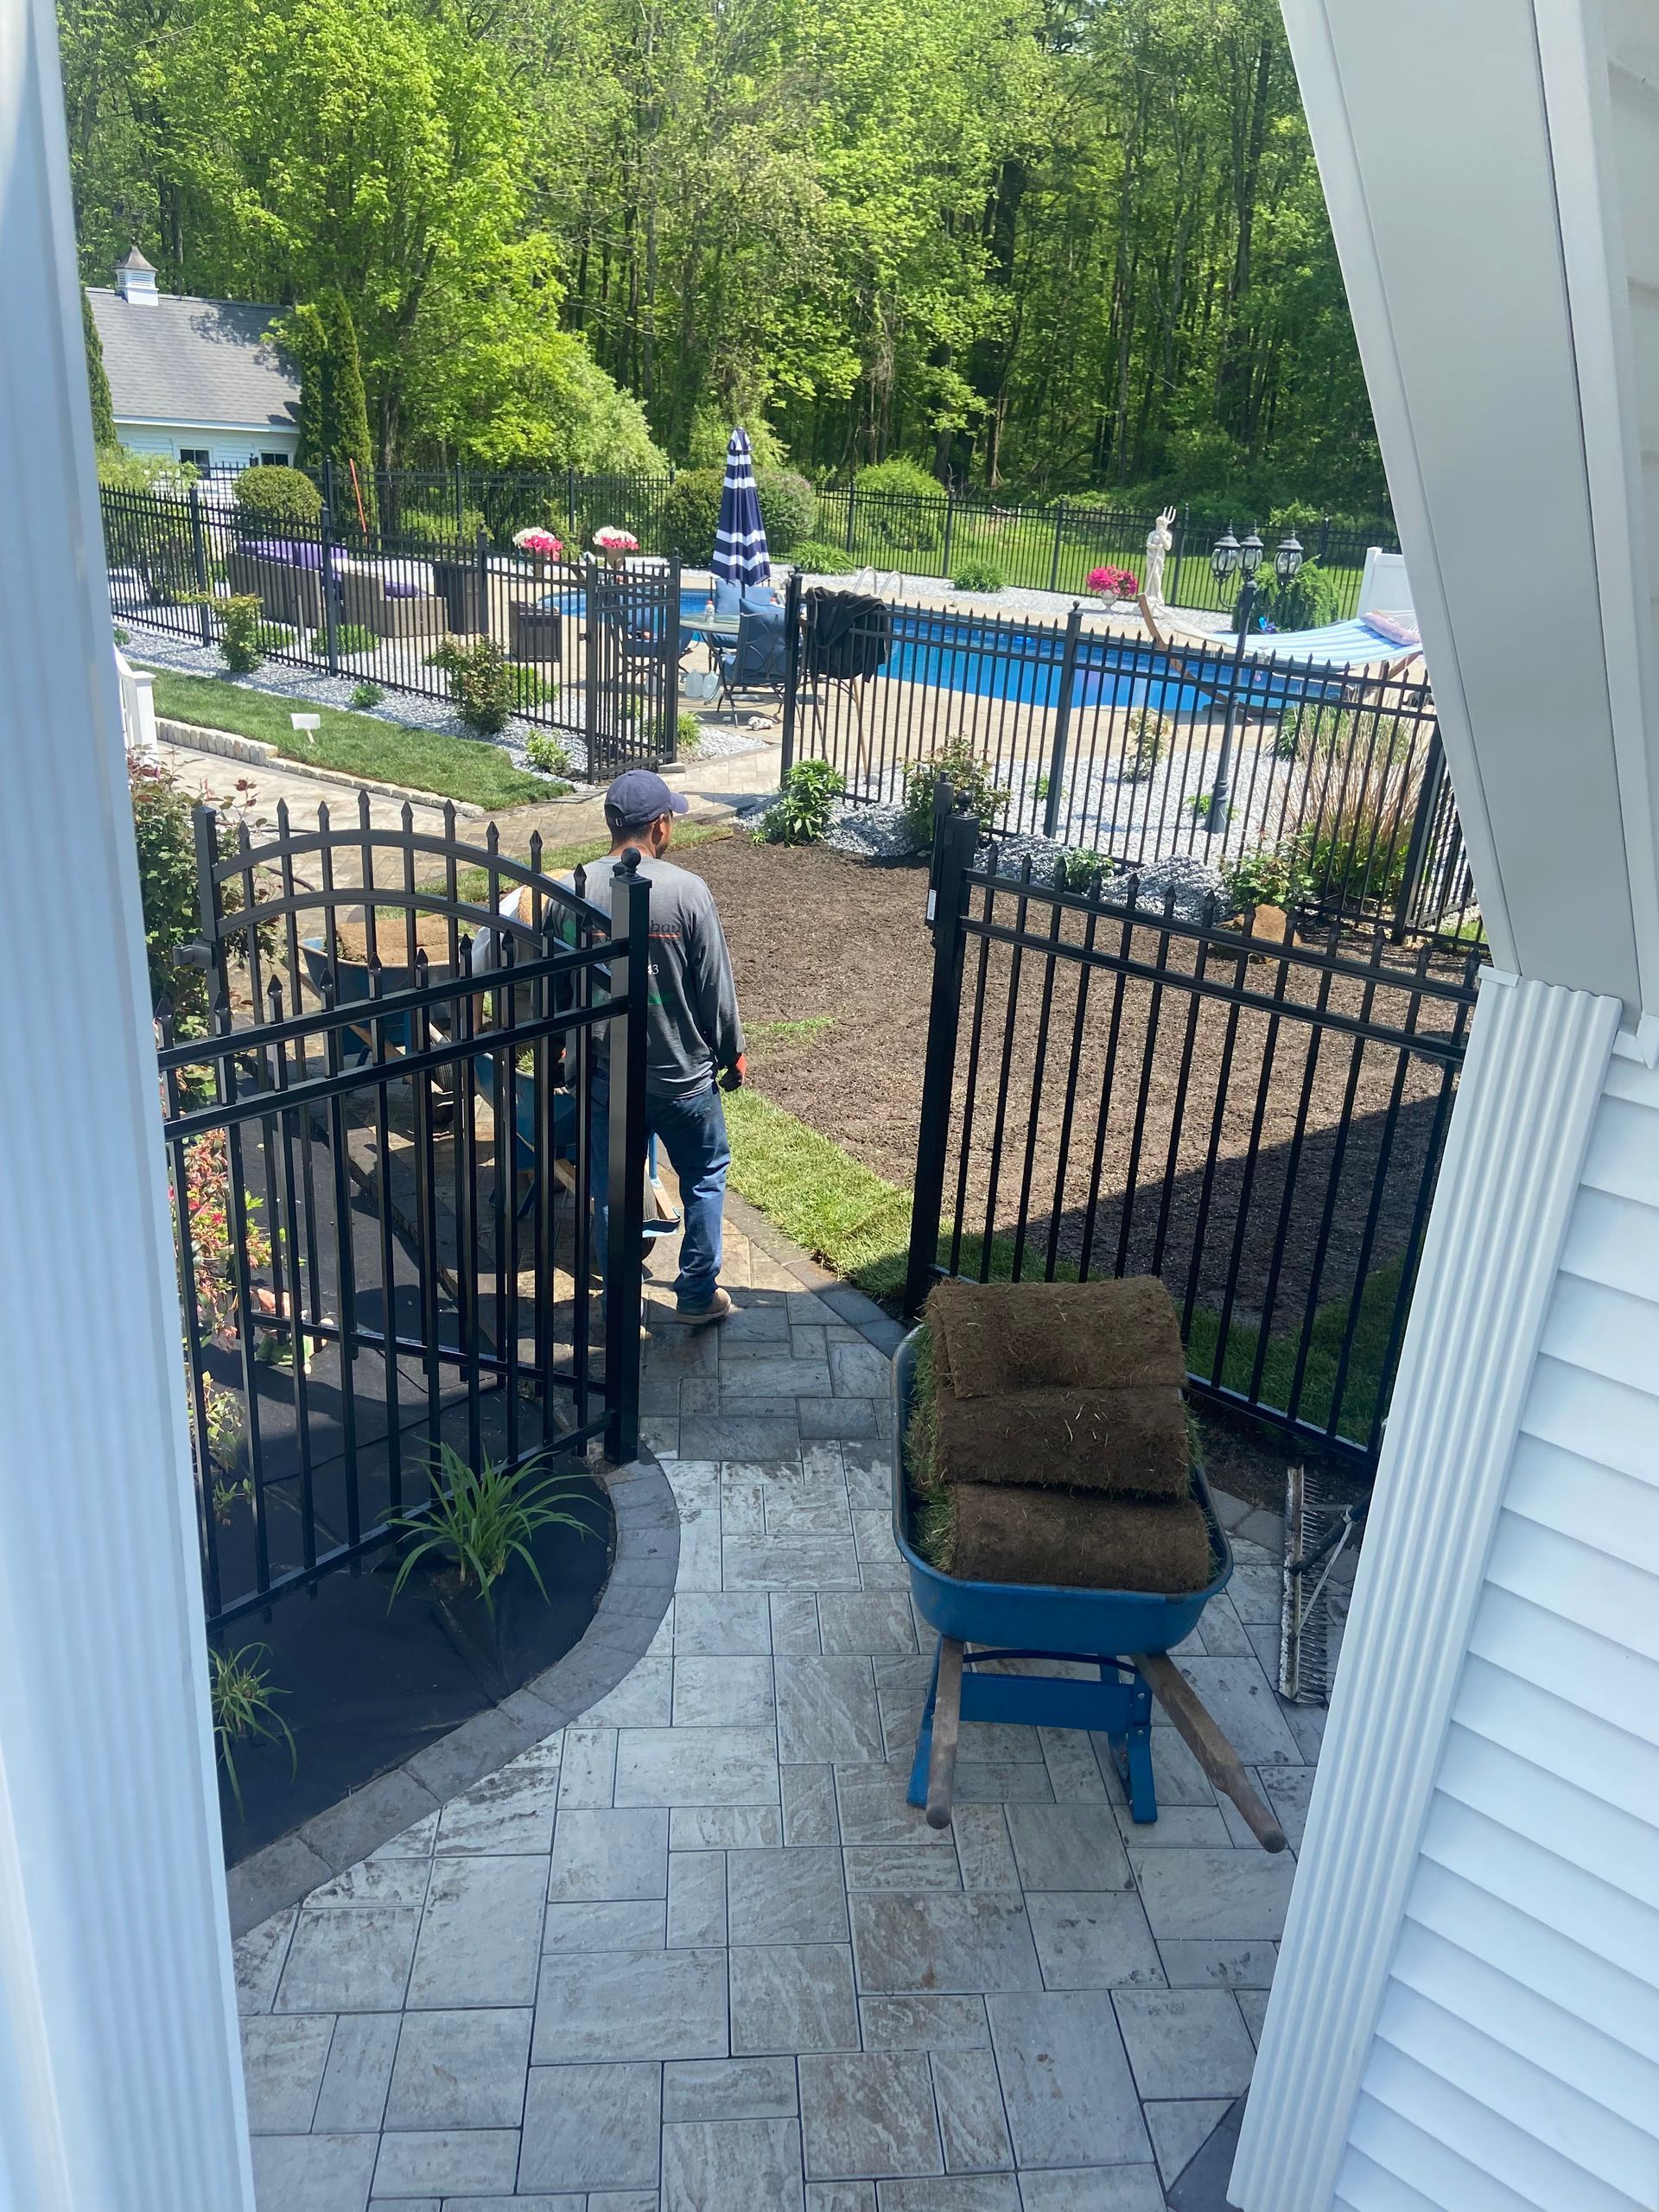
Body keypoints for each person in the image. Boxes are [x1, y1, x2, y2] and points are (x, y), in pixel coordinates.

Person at [582, 769, 746, 1325]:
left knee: (613, 1188)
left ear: (610, 822)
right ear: (660, 826)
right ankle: (697, 1296)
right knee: (704, 1173)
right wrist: (731, 1051)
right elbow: (713, 986)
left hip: (607, 1074)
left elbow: (557, 986)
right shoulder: (687, 891)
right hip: (681, 1075)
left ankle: (620, 1300)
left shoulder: (577, 887)